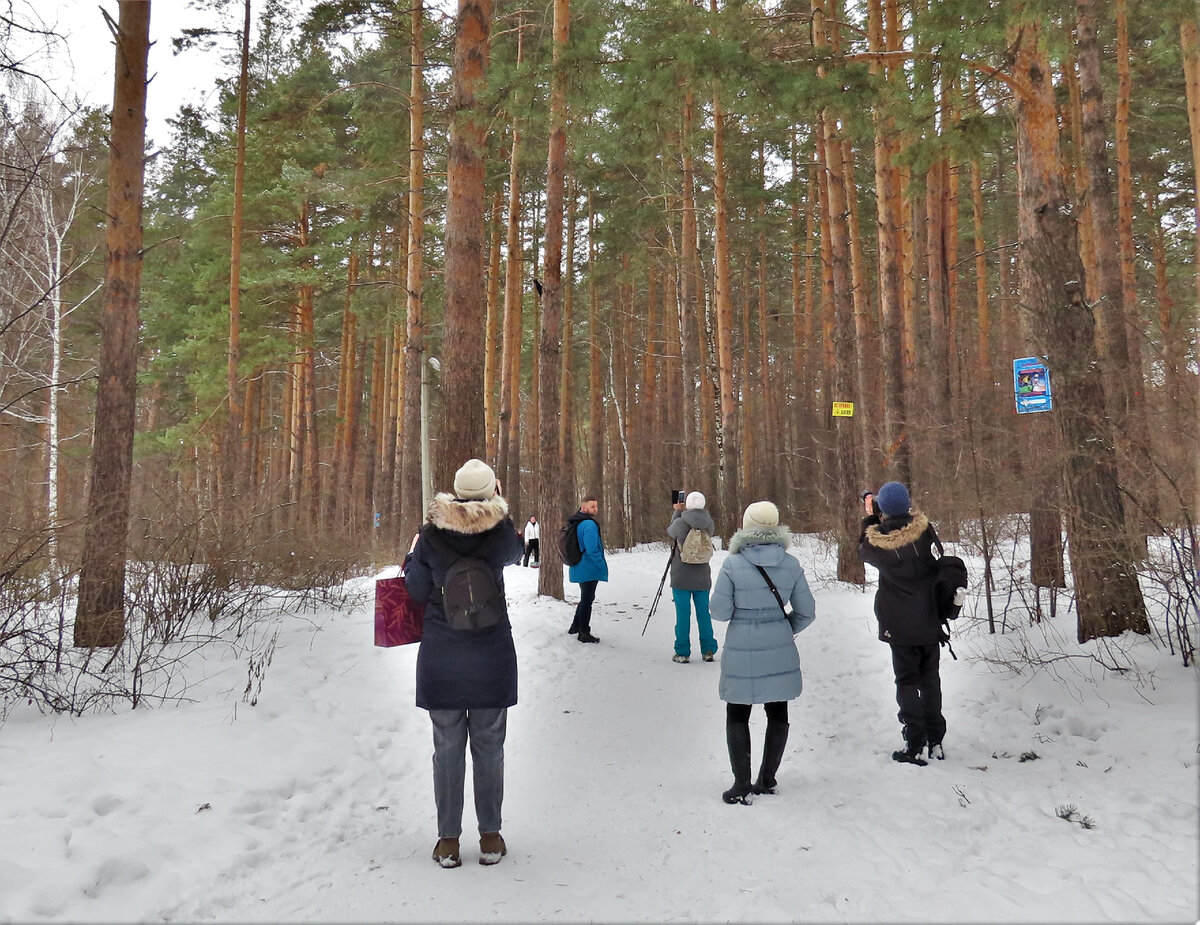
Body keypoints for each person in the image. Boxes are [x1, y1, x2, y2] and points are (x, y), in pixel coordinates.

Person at [403, 458, 523, 868]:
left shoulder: (430, 536)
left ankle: (448, 841)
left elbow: (416, 591)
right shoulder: (501, 534)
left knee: (447, 748)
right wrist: (497, 503)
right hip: (491, 656)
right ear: (492, 491)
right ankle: (490, 837)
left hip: (443, 656)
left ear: (454, 491)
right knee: (490, 747)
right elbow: (516, 548)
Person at [710, 501, 816, 804]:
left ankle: (741, 784)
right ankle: (767, 779)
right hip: (779, 643)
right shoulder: (791, 564)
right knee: (777, 709)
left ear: (747, 526)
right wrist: (784, 630)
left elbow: (719, 611)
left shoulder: (732, 565)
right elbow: (807, 612)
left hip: (741, 645)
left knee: (738, 712)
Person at [857, 480, 946, 766]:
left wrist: (870, 516)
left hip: (899, 623)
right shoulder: (924, 530)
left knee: (907, 680)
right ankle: (935, 741)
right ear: (908, 504)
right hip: (930, 617)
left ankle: (915, 742)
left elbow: (863, 549)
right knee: (931, 679)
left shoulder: (879, 542)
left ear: (883, 507)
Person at [666, 491, 718, 664]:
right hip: (702, 578)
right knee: (703, 613)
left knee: (683, 615)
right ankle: (708, 649)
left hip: (681, 577)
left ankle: (682, 652)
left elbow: (671, 531)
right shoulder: (709, 524)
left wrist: (678, 510)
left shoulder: (680, 522)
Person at [566, 495, 607, 643]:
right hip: (588, 567)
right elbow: (592, 549)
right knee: (587, 599)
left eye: (596, 506)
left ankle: (575, 626)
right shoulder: (588, 524)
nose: (595, 509)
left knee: (586, 597)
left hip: (579, 566)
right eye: (592, 506)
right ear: (584, 508)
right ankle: (584, 632)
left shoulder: (577, 521)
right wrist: (600, 565)